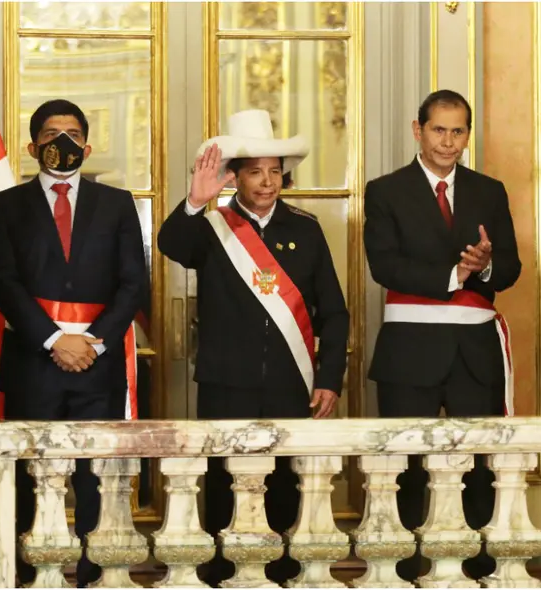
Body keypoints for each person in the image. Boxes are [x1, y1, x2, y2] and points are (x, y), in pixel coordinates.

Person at [157, 109, 349, 586]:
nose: (267, 182)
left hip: (291, 385)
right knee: (226, 490)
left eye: (275, 172)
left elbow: (336, 313)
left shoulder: (305, 229)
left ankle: (281, 577)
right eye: (256, 172)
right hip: (227, 384)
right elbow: (170, 245)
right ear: (235, 177)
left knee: (285, 489)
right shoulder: (210, 226)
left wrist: (329, 380)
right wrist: (194, 202)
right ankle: (225, 577)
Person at [0, 99, 148, 587]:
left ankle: (94, 575)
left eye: (73, 134)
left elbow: (132, 283)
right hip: (34, 361)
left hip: (98, 365)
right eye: (52, 133)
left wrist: (93, 343)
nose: (63, 143)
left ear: (88, 145)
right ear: (32, 146)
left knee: (93, 477)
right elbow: (5, 283)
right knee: (30, 475)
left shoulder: (117, 203)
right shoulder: (5, 205)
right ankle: (27, 574)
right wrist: (55, 340)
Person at [363, 90, 521, 582]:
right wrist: (457, 274)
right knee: (405, 462)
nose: (449, 142)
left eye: (458, 131)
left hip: (474, 349)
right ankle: (404, 566)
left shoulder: (489, 190)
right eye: (439, 130)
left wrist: (486, 265)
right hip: (411, 348)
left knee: (477, 461)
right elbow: (384, 265)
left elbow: (510, 266)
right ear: (418, 129)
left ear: (467, 135)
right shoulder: (385, 190)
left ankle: (477, 566)